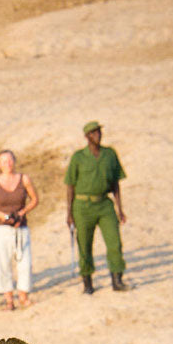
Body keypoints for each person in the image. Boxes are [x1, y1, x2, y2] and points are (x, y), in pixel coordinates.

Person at [64, 121, 128, 294]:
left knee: (114, 241)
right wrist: (69, 213)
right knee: (84, 244)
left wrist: (119, 208)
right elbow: (70, 185)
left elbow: (115, 183)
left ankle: (117, 279)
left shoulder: (110, 154)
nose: (98, 135)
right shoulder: (78, 157)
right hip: (82, 206)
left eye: (99, 132)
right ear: (87, 137)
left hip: (104, 204)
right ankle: (87, 282)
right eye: (93, 133)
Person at [0, 149, 39, 309]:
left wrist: (22, 213)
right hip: (1, 229)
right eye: (4, 161)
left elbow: (34, 199)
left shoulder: (24, 179)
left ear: (14, 161)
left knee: (24, 262)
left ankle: (23, 296)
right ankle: (9, 299)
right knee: (3, 263)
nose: (7, 164)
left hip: (21, 226)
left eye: (10, 160)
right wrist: (4, 216)